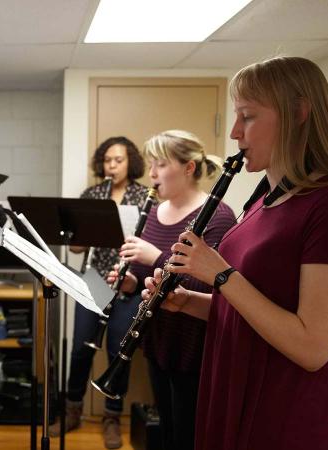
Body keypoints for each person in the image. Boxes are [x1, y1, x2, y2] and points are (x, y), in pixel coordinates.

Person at [141, 56, 328, 450]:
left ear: (299, 112)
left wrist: (219, 273)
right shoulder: (265, 200)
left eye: (247, 116)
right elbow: (251, 310)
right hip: (230, 389)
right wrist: (188, 302)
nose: (235, 132)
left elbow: (313, 347)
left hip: (280, 414)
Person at [109, 130, 236, 450]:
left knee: (188, 435)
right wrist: (130, 283)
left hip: (195, 345)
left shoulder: (218, 216)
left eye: (160, 164)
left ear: (189, 168)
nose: (151, 173)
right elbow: (144, 277)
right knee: (166, 428)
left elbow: (213, 283)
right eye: (151, 164)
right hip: (159, 339)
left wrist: (156, 256)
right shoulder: (153, 213)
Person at [53, 136, 149, 449]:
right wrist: (76, 231)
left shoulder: (144, 195)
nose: (112, 165)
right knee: (80, 347)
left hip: (128, 282)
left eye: (118, 160)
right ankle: (72, 409)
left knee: (117, 351)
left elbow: (150, 243)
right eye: (107, 160)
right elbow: (78, 247)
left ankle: (111, 416)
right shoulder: (92, 194)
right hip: (94, 279)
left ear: (130, 162)